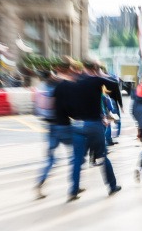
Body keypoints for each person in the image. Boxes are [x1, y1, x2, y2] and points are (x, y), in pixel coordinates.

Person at [66, 59, 122, 202]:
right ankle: (112, 186)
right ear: (95, 68)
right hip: (93, 124)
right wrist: (100, 74)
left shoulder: (75, 82)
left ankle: (73, 190)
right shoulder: (96, 80)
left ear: (84, 67)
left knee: (77, 159)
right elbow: (115, 84)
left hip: (77, 124)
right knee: (102, 156)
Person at [35, 58, 75, 199]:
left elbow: (37, 110)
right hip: (63, 125)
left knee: (51, 159)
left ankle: (40, 183)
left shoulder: (42, 87)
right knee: (75, 155)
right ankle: (74, 185)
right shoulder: (61, 84)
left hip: (49, 126)